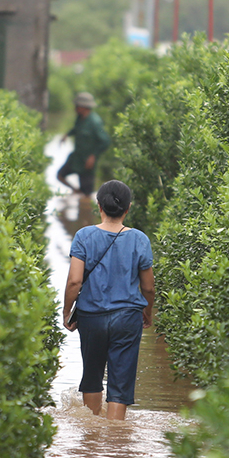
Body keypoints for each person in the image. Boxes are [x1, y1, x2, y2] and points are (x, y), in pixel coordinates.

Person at [62, 180, 155, 420]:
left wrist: (66, 311)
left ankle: (92, 442)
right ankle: (115, 443)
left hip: (91, 317)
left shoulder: (84, 236)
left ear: (99, 206)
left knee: (92, 377)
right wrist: (148, 311)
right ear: (128, 208)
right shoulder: (140, 240)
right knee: (120, 383)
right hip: (127, 318)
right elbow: (149, 287)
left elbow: (74, 281)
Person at [57, 91, 111, 196]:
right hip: (76, 159)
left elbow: (105, 141)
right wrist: (67, 134)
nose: (75, 108)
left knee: (87, 195)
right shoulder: (80, 118)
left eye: (77, 106)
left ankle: (83, 202)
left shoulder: (95, 122)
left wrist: (93, 156)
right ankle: (76, 192)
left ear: (84, 107)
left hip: (87, 164)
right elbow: (77, 129)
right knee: (60, 175)